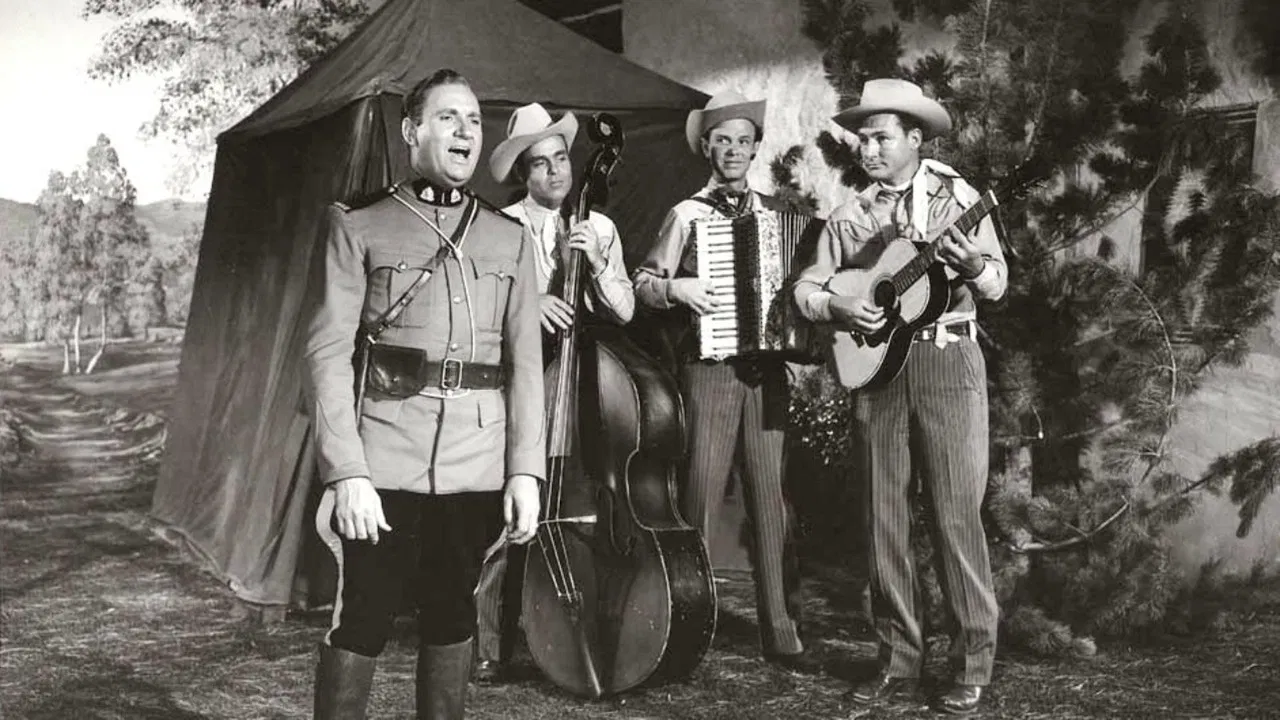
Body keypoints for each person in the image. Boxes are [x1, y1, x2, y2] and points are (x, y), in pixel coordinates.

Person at [303, 68, 544, 720]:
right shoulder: (360, 224)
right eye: (447, 118)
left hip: (478, 463)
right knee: (363, 621)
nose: (465, 130)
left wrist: (525, 471)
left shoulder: (509, 237)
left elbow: (526, 363)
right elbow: (326, 354)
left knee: (452, 615)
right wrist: (346, 472)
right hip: (383, 463)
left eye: (472, 119)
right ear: (411, 132)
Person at [793, 78, 1007, 716]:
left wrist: (971, 267)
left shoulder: (959, 199)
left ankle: (972, 663)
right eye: (862, 137)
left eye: (881, 136)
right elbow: (805, 290)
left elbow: (996, 283)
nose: (868, 148)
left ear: (916, 138)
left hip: (946, 360)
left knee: (954, 514)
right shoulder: (848, 213)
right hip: (875, 371)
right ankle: (898, 661)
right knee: (881, 516)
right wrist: (838, 302)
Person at [631, 91, 812, 672]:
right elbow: (642, 283)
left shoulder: (779, 216)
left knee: (772, 501)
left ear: (756, 149)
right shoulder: (688, 215)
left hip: (766, 371)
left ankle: (780, 628)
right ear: (706, 147)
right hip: (708, 369)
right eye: (723, 140)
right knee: (701, 495)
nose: (733, 150)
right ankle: (692, 623)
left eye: (743, 141)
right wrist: (676, 289)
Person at [471, 102, 635, 681]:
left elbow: (625, 310)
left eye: (561, 159)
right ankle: (491, 642)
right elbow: (480, 314)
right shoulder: (499, 227)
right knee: (508, 515)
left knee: (581, 507)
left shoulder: (600, 227)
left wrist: (596, 266)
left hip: (582, 383)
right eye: (539, 165)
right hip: (522, 383)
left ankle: (574, 628)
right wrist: (531, 302)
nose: (555, 173)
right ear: (524, 174)